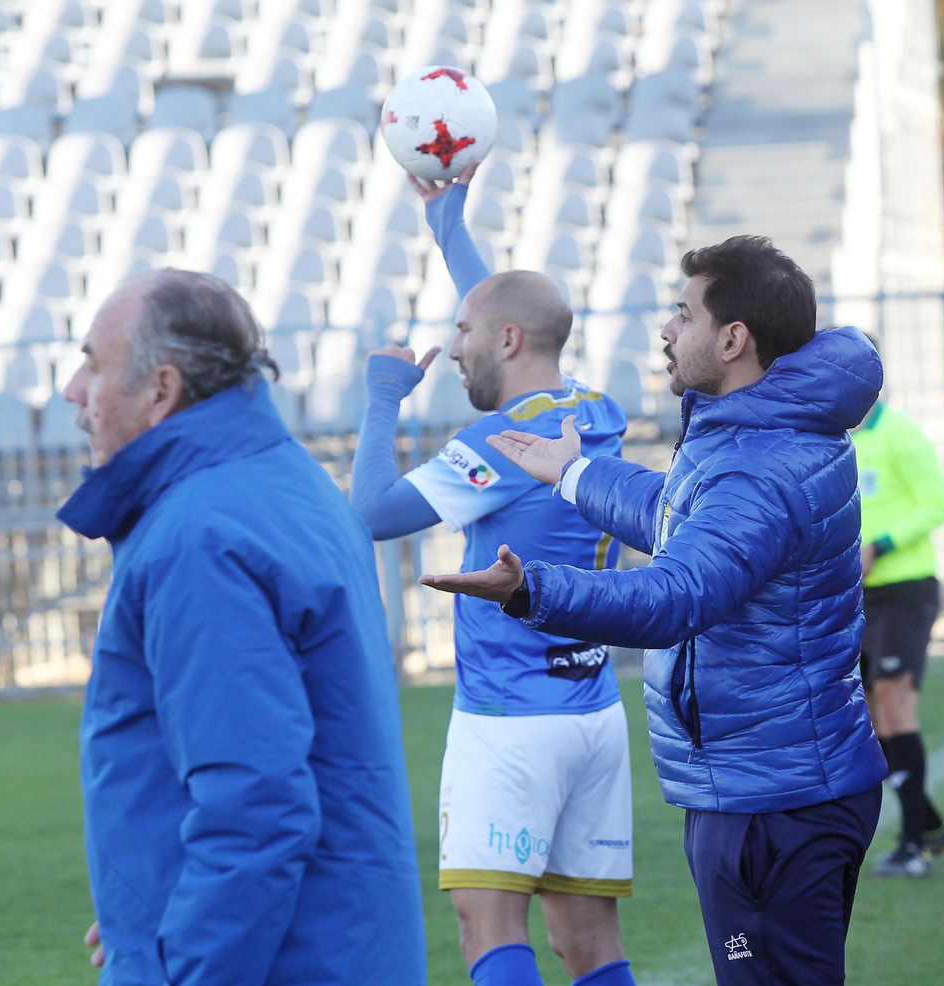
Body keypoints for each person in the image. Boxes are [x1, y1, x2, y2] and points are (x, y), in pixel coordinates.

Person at [421, 235, 889, 986]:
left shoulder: (759, 465)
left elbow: (676, 594)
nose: (666, 331)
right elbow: (685, 520)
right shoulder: (761, 430)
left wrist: (532, 591)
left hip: (771, 801)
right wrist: (575, 474)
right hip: (771, 784)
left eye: (684, 314)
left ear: (733, 340)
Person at [58, 270, 426, 984]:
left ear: (161, 390)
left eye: (93, 364)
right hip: (337, 943)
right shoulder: (290, 482)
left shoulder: (200, 536)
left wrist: (184, 960)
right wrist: (152, 909)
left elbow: (256, 813)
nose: (74, 390)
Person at [349, 166, 638, 986]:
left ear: (507, 342)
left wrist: (382, 399)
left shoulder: (501, 443)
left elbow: (369, 514)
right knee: (589, 941)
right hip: (592, 710)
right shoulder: (594, 410)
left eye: (463, 333)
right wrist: (448, 225)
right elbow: (510, 314)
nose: (454, 348)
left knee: (488, 925)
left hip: (511, 717)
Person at [851, 392, 944, 877]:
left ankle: (912, 846)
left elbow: (939, 504)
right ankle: (930, 824)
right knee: (871, 721)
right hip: (856, 595)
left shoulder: (900, 433)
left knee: (895, 707)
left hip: (904, 590)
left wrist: (882, 545)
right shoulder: (834, 440)